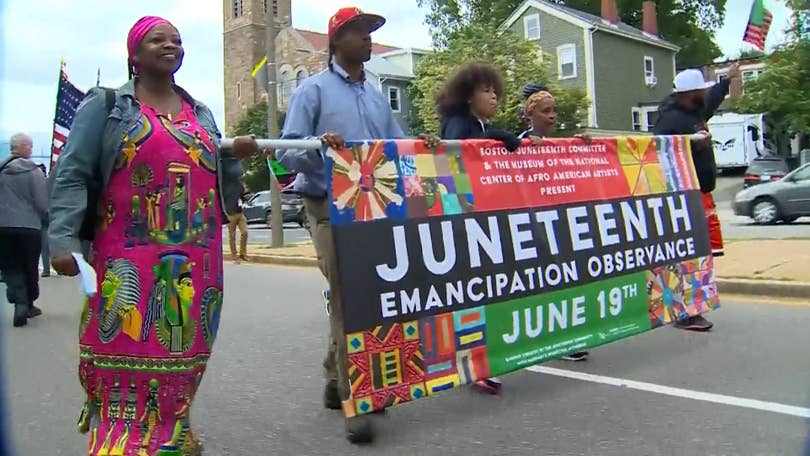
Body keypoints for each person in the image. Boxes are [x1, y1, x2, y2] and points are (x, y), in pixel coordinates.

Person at [48, 16, 258, 455]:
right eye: (157, 39)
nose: (170, 46)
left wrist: (232, 158)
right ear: (135, 54)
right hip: (126, 255)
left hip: (198, 259)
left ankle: (171, 430)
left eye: (177, 40)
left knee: (184, 345)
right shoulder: (107, 106)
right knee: (121, 337)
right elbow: (73, 172)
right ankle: (120, 436)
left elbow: (218, 174)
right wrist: (63, 238)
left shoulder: (200, 112)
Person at [276, 6, 409, 444]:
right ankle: (359, 396)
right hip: (326, 206)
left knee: (367, 295)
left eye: (372, 33)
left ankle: (336, 377)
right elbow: (284, 151)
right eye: (361, 32)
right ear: (337, 41)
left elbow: (394, 145)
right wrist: (320, 147)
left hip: (373, 208)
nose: (369, 39)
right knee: (351, 297)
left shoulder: (373, 95)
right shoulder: (311, 92)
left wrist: (420, 147)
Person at [436, 62, 523, 395]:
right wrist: (499, 137)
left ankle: (478, 361)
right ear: (468, 96)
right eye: (486, 90)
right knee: (470, 296)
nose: (494, 97)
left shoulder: (477, 126)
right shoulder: (459, 125)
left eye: (495, 90)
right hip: (463, 222)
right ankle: (473, 365)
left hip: (478, 221)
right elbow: (456, 165)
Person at [653, 63, 740, 332]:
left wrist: (726, 80)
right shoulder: (671, 120)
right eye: (699, 91)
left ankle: (690, 308)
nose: (704, 95)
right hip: (684, 197)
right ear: (688, 94)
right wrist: (691, 142)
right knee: (690, 255)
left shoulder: (694, 110)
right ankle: (686, 313)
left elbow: (712, 100)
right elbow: (660, 151)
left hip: (700, 194)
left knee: (702, 254)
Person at [518, 83, 590, 362]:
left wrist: (581, 147)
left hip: (556, 223)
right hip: (531, 226)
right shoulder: (519, 142)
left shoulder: (560, 144)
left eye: (554, 111)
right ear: (530, 115)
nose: (552, 116)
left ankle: (565, 338)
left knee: (563, 281)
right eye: (546, 111)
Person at [0, 132, 48, 327]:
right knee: (29, 265)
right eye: (29, 146)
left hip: (4, 227)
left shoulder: (1, 170)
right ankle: (28, 302)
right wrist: (46, 215)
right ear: (20, 147)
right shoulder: (34, 172)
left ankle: (19, 301)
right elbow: (42, 201)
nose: (31, 149)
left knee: (11, 266)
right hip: (29, 227)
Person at [226, 184, 249, 262]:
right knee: (232, 236)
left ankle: (243, 253)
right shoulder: (226, 187)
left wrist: (245, 195)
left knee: (245, 232)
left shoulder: (239, 186)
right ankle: (234, 255)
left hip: (240, 213)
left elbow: (244, 195)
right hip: (230, 214)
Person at [37, 163, 53, 278]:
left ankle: (47, 270)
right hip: (48, 217)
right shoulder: (49, 183)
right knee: (46, 246)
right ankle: (48, 269)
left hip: (45, 218)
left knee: (45, 246)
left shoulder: (42, 184)